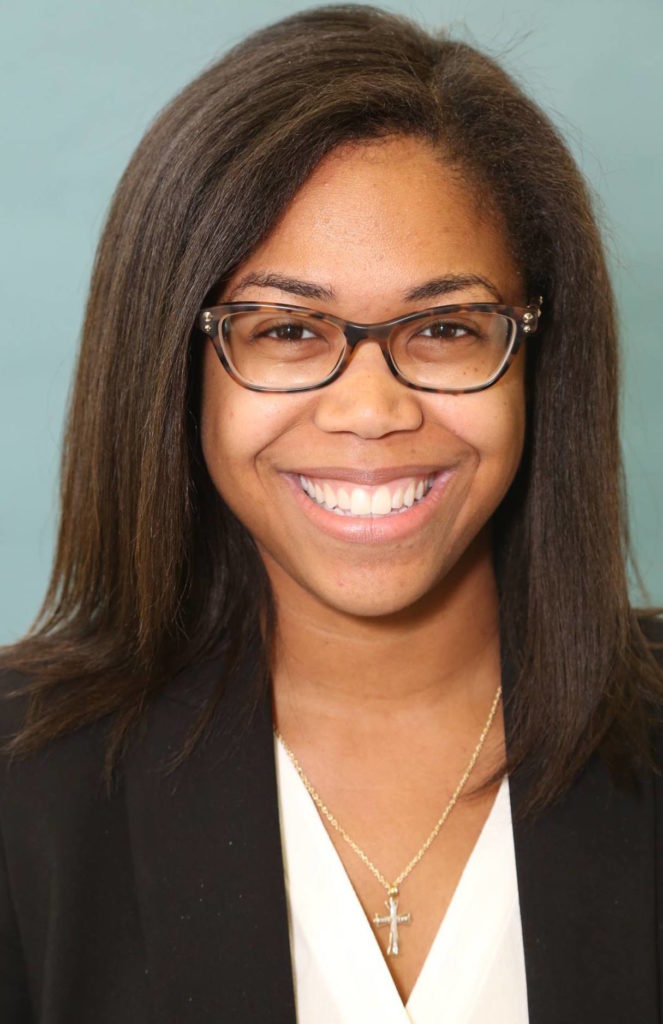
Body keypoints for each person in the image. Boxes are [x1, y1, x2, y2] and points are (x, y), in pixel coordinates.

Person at [1, 5, 662, 1022]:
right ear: (176, 368)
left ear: (539, 357)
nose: (371, 410)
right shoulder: (22, 783)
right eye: (287, 329)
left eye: (444, 326)